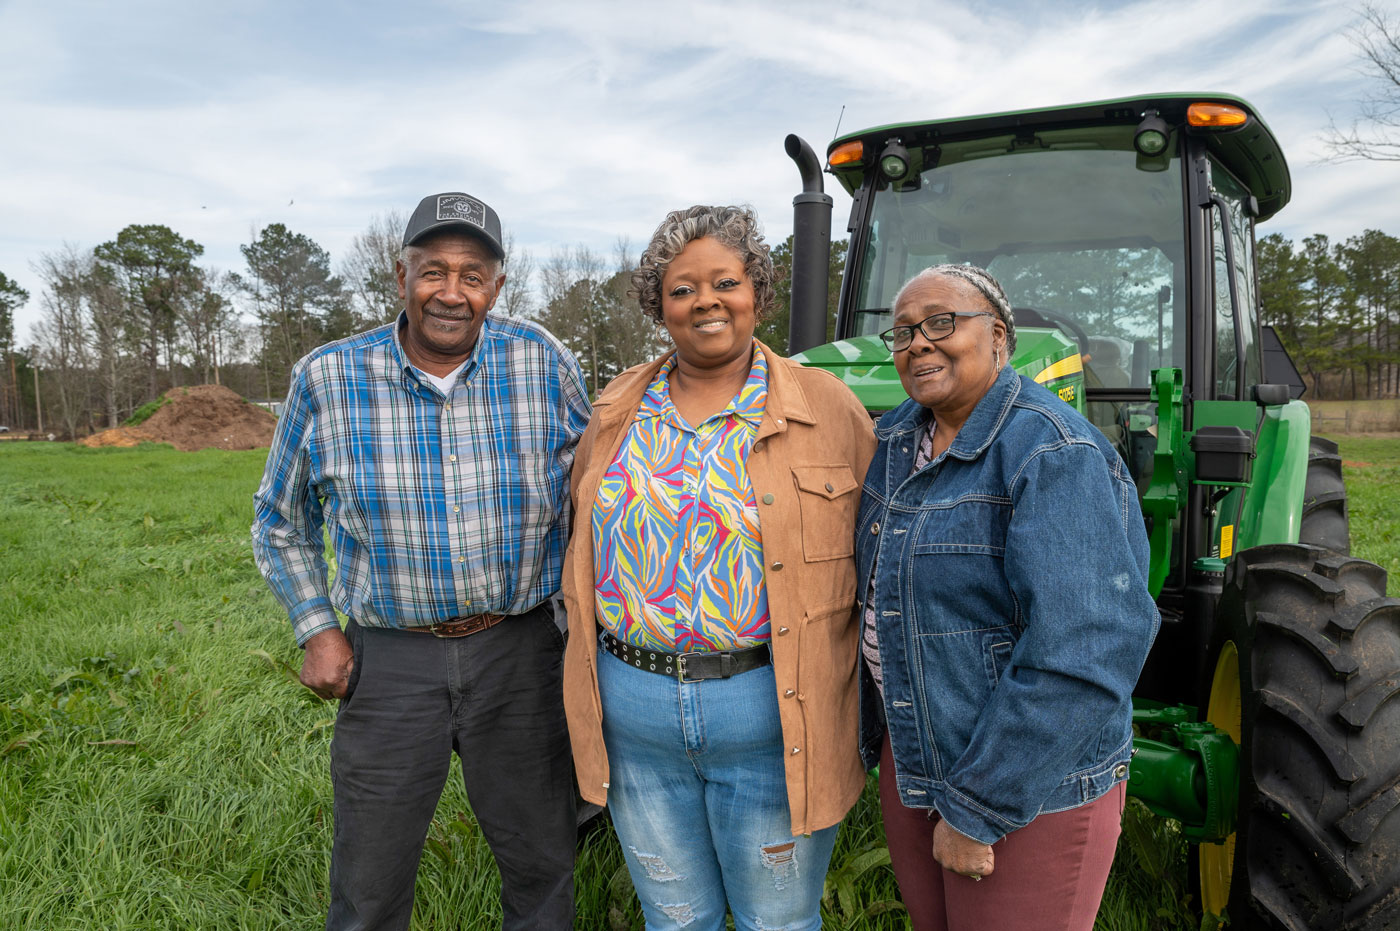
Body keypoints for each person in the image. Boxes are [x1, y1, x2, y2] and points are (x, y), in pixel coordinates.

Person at [251, 192, 590, 931]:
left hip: (523, 649)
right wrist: (318, 628)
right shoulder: (327, 377)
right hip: (391, 660)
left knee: (542, 861)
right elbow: (279, 519)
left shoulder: (543, 361)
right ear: (399, 272)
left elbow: (597, 491)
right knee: (369, 879)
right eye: (432, 269)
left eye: (473, 274)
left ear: (497, 286)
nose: (451, 291)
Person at [560, 205, 875, 931]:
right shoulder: (615, 410)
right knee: (674, 917)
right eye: (682, 289)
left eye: (725, 282)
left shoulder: (827, 408)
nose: (705, 300)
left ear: (758, 293)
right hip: (635, 715)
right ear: (657, 306)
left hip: (772, 710)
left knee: (778, 921)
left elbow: (880, 545)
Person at [854, 264, 1159, 931]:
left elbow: (1086, 652)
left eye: (941, 322)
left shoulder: (1053, 453)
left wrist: (976, 807)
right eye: (903, 331)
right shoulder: (897, 438)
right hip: (917, 756)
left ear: (998, 337)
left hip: (1025, 784)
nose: (918, 343)